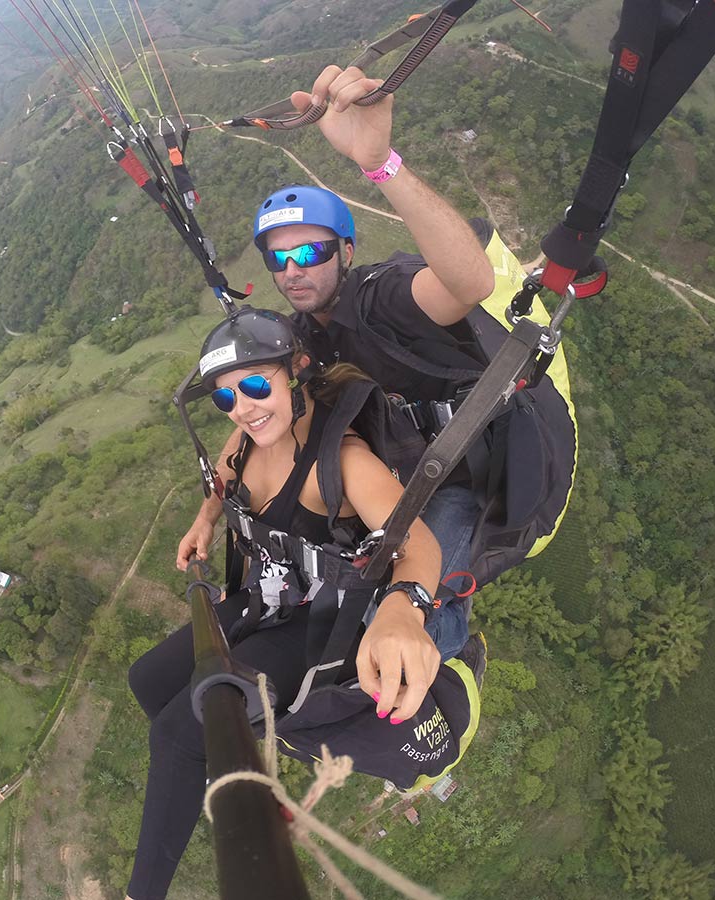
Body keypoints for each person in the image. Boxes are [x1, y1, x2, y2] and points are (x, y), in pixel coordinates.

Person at [127, 307, 480, 900]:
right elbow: (222, 475)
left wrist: (399, 610)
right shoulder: (248, 436)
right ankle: (214, 756)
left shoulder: (341, 462)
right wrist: (206, 518)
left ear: (296, 370)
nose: (243, 406)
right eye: (226, 399)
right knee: (147, 680)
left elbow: (418, 542)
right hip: (262, 597)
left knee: (176, 733)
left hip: (315, 629)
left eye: (258, 385)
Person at [178, 65, 497, 660]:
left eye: (311, 251)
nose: (293, 269)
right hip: (382, 477)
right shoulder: (295, 343)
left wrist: (381, 164)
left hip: (453, 478)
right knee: (339, 601)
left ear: (346, 251)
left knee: (398, 607)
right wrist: (207, 515)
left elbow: (472, 281)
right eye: (279, 260)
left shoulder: (384, 297)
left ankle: (452, 662)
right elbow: (248, 436)